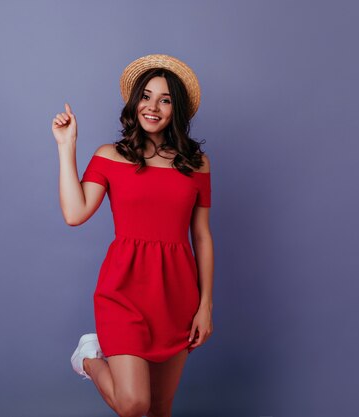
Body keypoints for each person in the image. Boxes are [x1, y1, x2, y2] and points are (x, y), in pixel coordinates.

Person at [52, 54, 214, 417]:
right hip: (123, 290)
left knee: (159, 408)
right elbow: (75, 213)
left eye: (165, 99)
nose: (152, 107)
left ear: (177, 109)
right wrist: (67, 148)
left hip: (176, 293)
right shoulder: (110, 156)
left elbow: (201, 236)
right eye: (146, 96)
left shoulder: (196, 164)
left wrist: (205, 306)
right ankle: (91, 357)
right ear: (134, 102)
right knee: (133, 403)